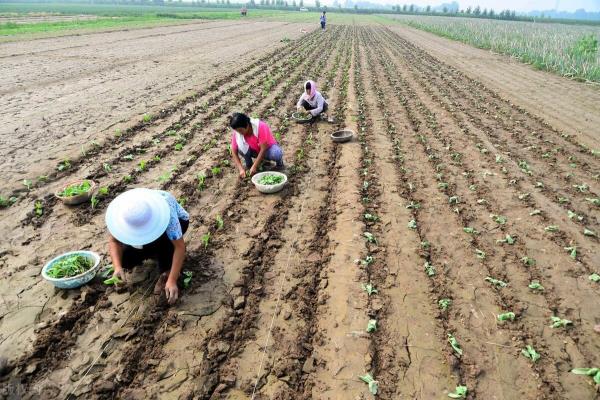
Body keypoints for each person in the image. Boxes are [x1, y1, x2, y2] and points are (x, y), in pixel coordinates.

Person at [105, 188, 189, 305]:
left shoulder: (167, 212)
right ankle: (154, 251)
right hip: (144, 232)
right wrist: (117, 267)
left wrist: (172, 280)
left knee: (163, 245)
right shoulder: (124, 212)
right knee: (125, 260)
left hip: (179, 222)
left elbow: (180, 247)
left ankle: (168, 270)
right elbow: (114, 241)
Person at [230, 112, 284, 178]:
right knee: (240, 148)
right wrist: (240, 169)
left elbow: (263, 148)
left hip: (267, 149)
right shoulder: (238, 133)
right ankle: (249, 165)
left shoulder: (260, 126)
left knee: (276, 154)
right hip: (255, 150)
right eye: (237, 131)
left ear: (247, 125)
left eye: (240, 130)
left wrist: (255, 166)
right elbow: (233, 150)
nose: (239, 133)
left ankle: (279, 164)